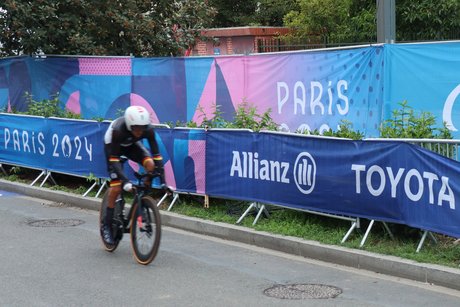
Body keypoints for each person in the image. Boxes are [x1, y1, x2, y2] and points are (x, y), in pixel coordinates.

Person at [102, 105, 166, 245]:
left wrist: (163, 182)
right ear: (130, 125)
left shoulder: (148, 130)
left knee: (150, 164)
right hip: (113, 147)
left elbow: (157, 157)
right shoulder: (119, 130)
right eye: (136, 127)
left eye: (142, 127)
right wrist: (125, 181)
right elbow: (114, 160)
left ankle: (144, 195)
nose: (139, 131)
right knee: (116, 188)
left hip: (131, 145)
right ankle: (106, 226)